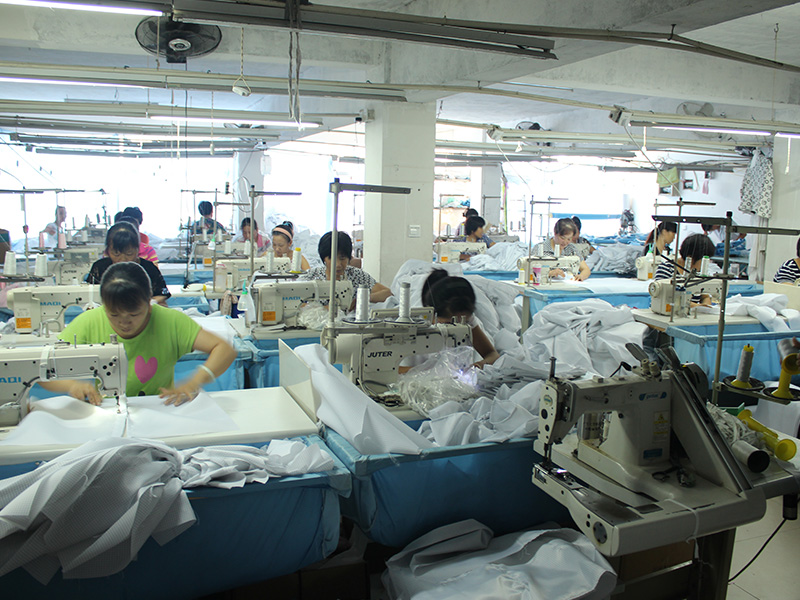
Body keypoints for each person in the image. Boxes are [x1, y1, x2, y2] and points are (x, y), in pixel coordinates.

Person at [43, 262, 236, 406]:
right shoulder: (89, 322)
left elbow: (224, 349)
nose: (123, 323)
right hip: (106, 409)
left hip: (160, 408)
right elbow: (44, 369)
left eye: (134, 314)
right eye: (113, 315)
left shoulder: (170, 322)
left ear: (149, 303)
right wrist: (71, 385)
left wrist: (195, 382)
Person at [400, 269, 499, 371]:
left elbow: (492, 354)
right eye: (448, 323)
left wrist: (478, 365)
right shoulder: (410, 325)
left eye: (465, 322)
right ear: (432, 315)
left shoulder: (465, 320)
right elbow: (393, 369)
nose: (458, 326)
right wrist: (429, 371)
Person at [87, 222, 170, 305]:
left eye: (129, 253)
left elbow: (162, 293)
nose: (123, 259)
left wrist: (150, 303)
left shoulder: (148, 268)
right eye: (116, 253)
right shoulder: (100, 267)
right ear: (108, 250)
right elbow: (88, 294)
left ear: (138, 249)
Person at [302, 231, 392, 303]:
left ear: (349, 258)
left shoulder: (356, 275)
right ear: (323, 258)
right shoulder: (312, 276)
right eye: (332, 258)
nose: (338, 264)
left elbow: (388, 293)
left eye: (342, 258)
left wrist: (362, 299)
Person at [654, 233, 716, 306]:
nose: (706, 264)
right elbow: (666, 299)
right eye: (704, 260)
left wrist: (705, 305)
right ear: (691, 258)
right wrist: (699, 306)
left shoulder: (699, 273)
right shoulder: (666, 269)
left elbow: (705, 296)